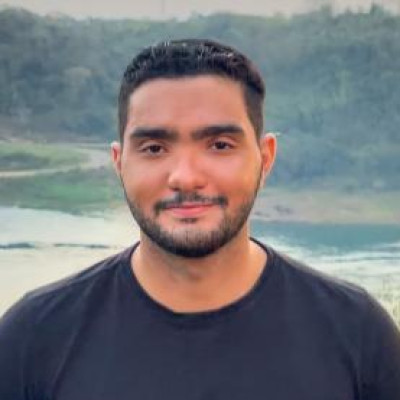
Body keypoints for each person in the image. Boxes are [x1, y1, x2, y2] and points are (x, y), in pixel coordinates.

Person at [0, 39, 399, 400]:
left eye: (220, 145)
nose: (185, 176)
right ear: (120, 163)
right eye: (154, 148)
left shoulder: (358, 335)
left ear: (265, 158)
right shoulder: (34, 338)